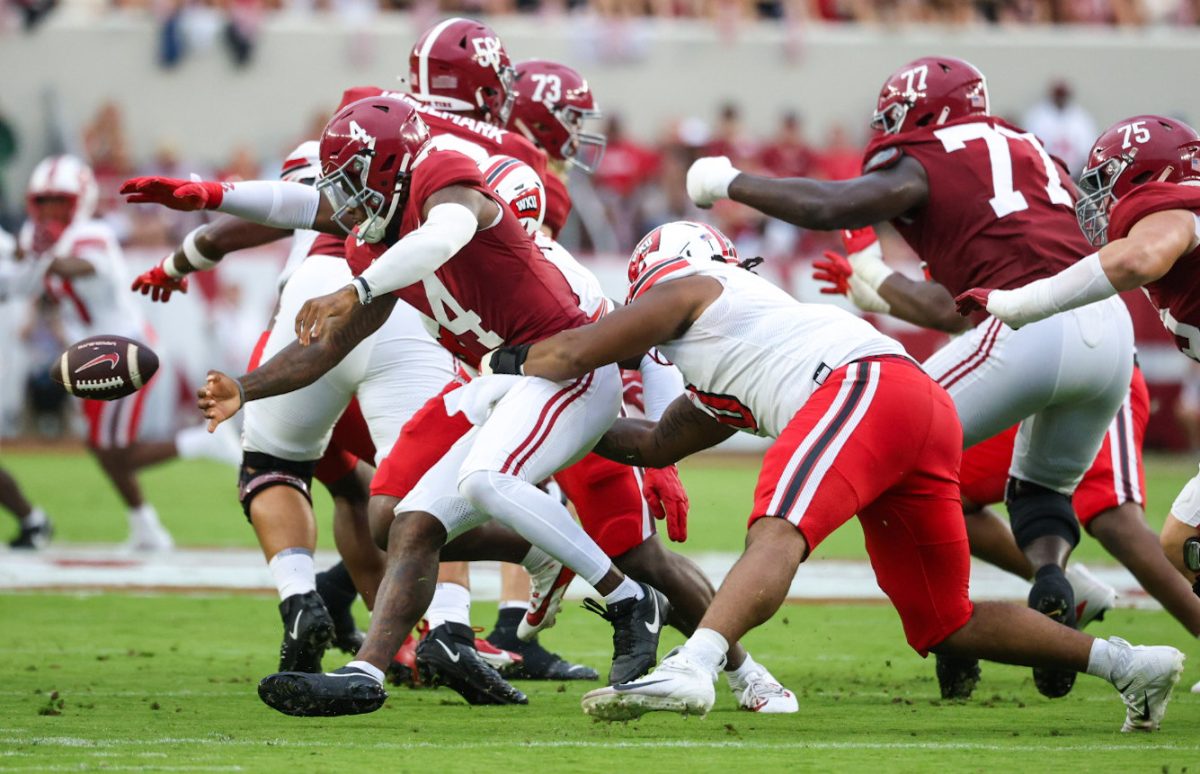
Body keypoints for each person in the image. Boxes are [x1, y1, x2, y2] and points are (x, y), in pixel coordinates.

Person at [482, 219, 1186, 731]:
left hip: (862, 388)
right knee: (945, 621)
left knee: (777, 527)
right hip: (915, 404)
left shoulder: (690, 287)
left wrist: (502, 368)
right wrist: (577, 429)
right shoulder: (735, 344)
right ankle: (1130, 664)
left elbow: (573, 351)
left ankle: (695, 664)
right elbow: (654, 443)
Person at [122, 96, 670, 716]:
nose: (343, 199)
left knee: (486, 480)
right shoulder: (375, 236)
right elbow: (326, 316)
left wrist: (354, 287)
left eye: (354, 179)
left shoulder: (442, 170)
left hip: (567, 368)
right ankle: (366, 673)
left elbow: (447, 233)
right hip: (511, 379)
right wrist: (245, 385)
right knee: (410, 521)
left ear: (388, 165)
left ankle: (629, 599)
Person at [685, 56, 1135, 700]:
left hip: (1032, 326)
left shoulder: (935, 152)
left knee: (892, 433)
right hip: (1108, 333)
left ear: (927, 109)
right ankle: (1061, 583)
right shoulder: (1031, 149)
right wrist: (876, 282)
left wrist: (731, 181)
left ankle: (954, 635)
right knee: (1037, 496)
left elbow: (832, 203)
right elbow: (954, 310)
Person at [817, 225, 1200, 696]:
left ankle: (971, 618)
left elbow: (958, 307)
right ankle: (1040, 589)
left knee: (1114, 518)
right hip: (1033, 365)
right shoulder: (980, 210)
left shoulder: (995, 207)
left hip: (1101, 360)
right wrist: (877, 290)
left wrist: (874, 278)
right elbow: (965, 311)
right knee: (934, 485)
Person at [955, 115, 1200, 692]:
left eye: (1109, 182)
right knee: (1180, 540)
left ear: (1153, 175)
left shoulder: (1174, 211)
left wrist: (1022, 304)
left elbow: (1137, 261)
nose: (1099, 201)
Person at [17, 154, 239, 551]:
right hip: (91, 353)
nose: (51, 211)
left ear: (79, 201)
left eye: (59, 201)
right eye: (45, 202)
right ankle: (146, 527)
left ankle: (198, 443)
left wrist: (38, 258)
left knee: (114, 451)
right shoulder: (38, 241)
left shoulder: (93, 234)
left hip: (124, 348)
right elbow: (42, 287)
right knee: (101, 449)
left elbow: (78, 267)